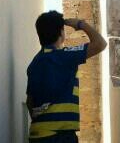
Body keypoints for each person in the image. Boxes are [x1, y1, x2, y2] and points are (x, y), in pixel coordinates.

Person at [26, 10, 107, 142]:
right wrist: (80, 24)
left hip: (36, 134)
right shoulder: (64, 56)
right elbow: (100, 44)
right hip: (60, 135)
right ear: (61, 33)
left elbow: (30, 102)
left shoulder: (34, 64)